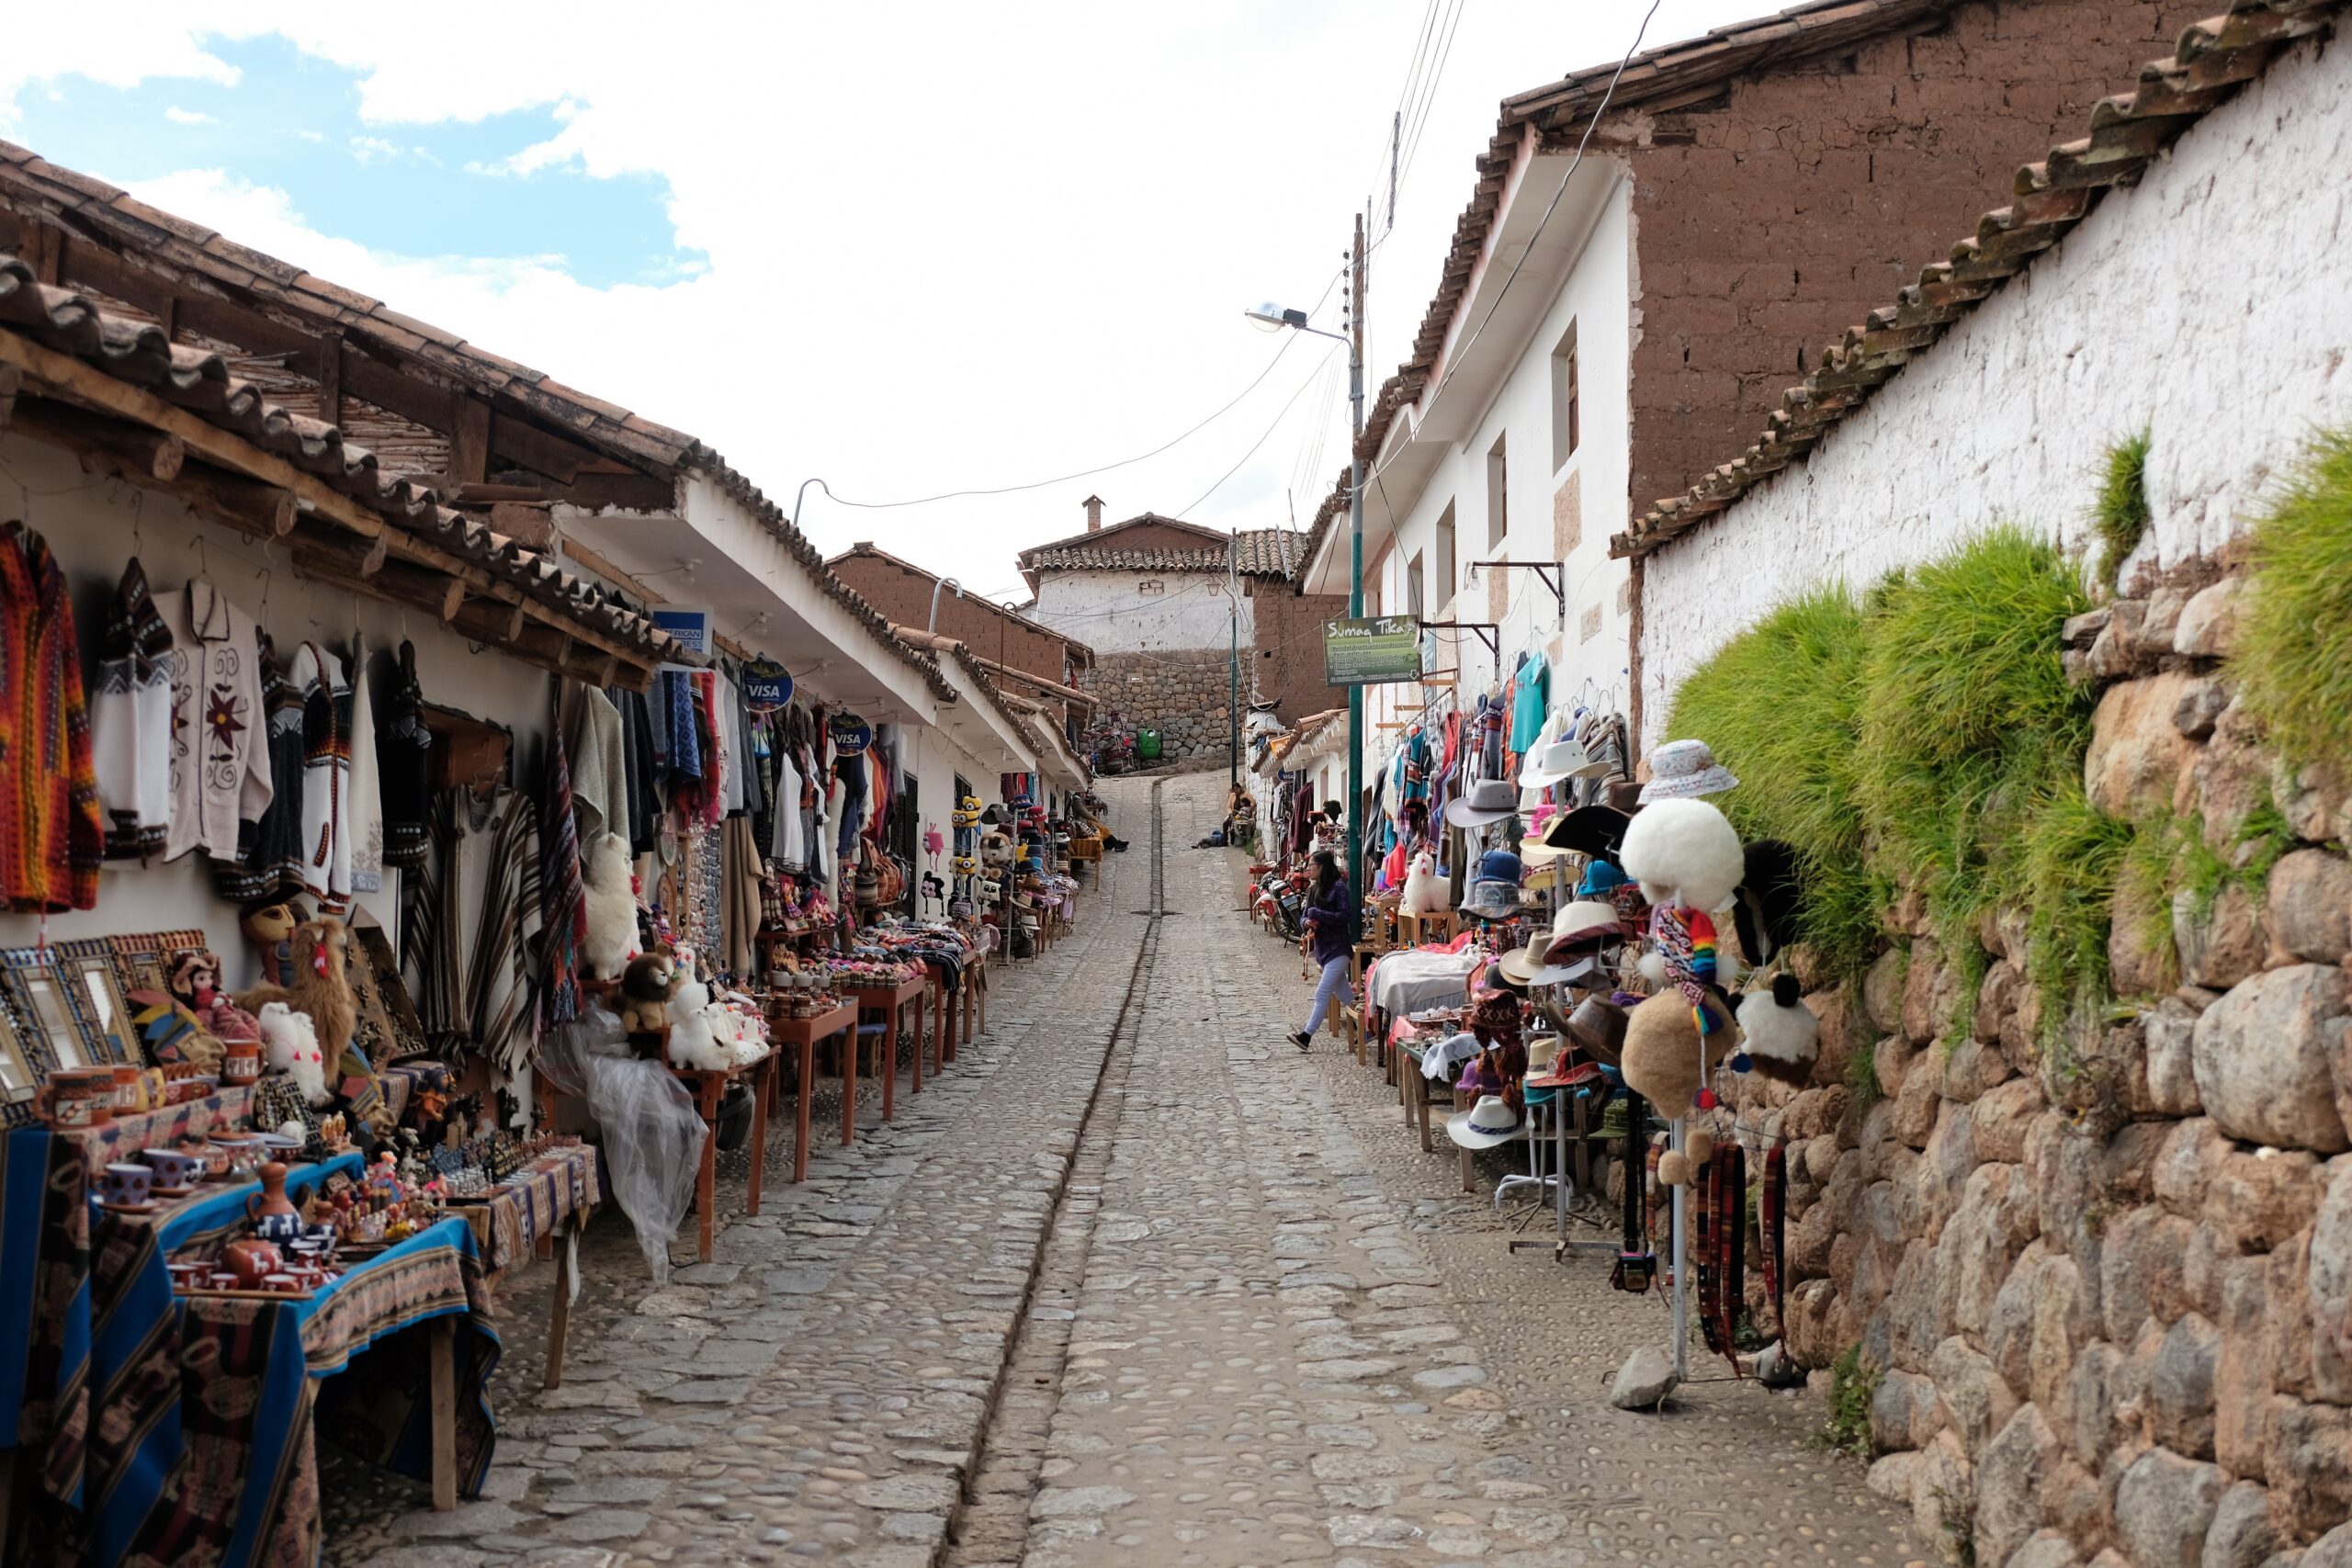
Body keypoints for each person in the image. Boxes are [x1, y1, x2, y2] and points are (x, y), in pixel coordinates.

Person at [1289, 849, 1356, 1051]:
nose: (1309, 870)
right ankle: (1370, 1028)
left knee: (1321, 993)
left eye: (1313, 866)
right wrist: (1307, 921)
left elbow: (1345, 915)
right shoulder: (1313, 890)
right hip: (1323, 950)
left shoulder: (1339, 888)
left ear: (1323, 867)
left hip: (1339, 949)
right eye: (1309, 866)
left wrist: (1318, 913)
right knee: (1347, 998)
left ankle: (1306, 1036)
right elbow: (1303, 915)